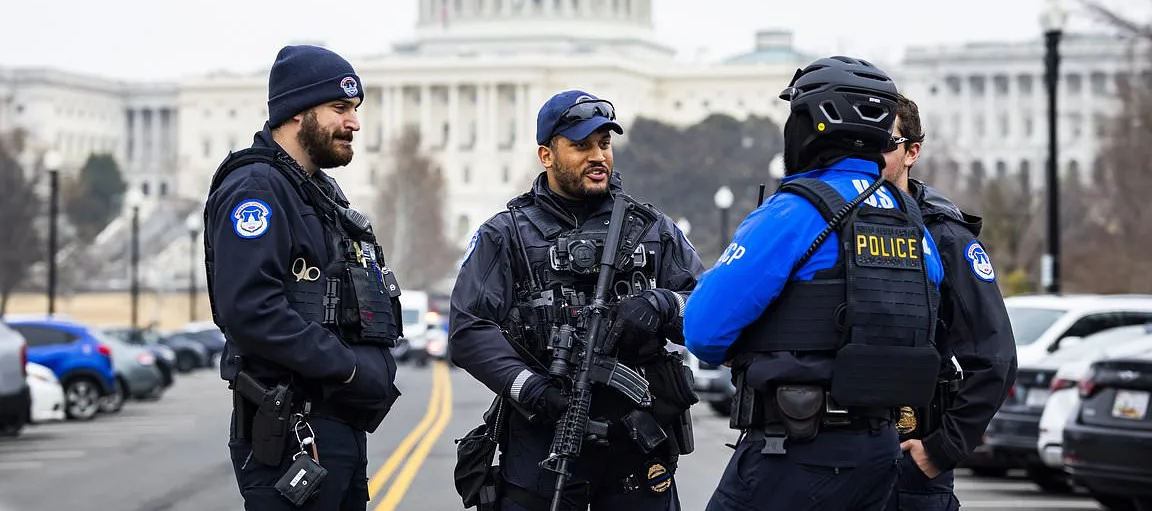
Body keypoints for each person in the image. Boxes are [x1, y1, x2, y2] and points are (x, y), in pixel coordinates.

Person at [684, 56, 946, 511]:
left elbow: (703, 331)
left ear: (814, 124)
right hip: (879, 452)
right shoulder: (912, 224)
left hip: (797, 453)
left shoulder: (795, 213)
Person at [449, 89, 705, 511]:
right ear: (546, 155)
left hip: (635, 442)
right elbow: (468, 329)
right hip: (546, 436)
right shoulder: (507, 233)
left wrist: (663, 304)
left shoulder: (651, 228)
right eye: (581, 146)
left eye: (604, 144)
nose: (598, 156)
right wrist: (531, 389)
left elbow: (708, 306)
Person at [204, 45, 403, 511]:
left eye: (354, 109)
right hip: (293, 431)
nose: (354, 123)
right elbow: (251, 310)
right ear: (297, 114)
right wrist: (349, 367)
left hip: (333, 428)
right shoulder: (257, 189)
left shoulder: (314, 191)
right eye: (340, 109)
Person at [882, 96, 1018, 511]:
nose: (870, 155)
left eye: (884, 143)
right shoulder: (828, 224)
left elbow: (995, 356)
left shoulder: (943, 235)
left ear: (912, 152)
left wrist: (941, 449)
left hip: (909, 455)